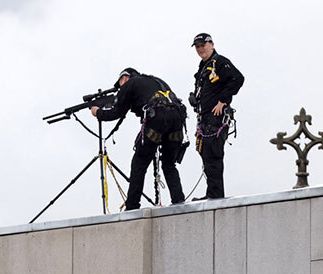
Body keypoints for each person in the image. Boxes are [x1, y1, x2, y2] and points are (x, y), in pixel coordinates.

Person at [90, 67, 187, 207]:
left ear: (124, 78)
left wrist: (98, 113)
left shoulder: (130, 83)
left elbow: (115, 113)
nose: (120, 89)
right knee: (169, 163)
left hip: (157, 120)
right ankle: (178, 200)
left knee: (139, 163)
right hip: (177, 120)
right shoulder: (156, 80)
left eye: (120, 85)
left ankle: (132, 205)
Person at [190, 32, 244, 200]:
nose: (200, 49)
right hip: (205, 118)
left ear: (211, 44)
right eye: (197, 47)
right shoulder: (203, 67)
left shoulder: (220, 62)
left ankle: (216, 195)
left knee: (213, 155)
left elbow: (237, 78)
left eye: (203, 45)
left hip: (216, 118)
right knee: (206, 154)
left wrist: (223, 101)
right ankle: (212, 193)